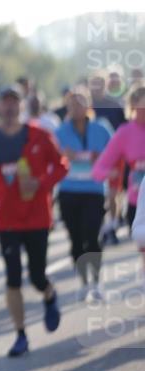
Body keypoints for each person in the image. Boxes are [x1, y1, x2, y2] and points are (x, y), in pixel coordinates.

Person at [0, 86, 70, 358]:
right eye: (5, 103)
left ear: (21, 106)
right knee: (12, 278)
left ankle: (49, 294)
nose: (10, 107)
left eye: (14, 102)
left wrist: (43, 183)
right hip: (7, 220)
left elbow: (62, 165)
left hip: (37, 217)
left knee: (37, 276)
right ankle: (20, 335)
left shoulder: (39, 135)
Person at [54, 86, 113, 302]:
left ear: (88, 105)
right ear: (68, 107)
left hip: (94, 190)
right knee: (76, 240)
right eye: (72, 103)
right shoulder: (60, 132)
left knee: (92, 236)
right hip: (68, 191)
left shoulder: (102, 128)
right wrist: (62, 154)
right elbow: (50, 159)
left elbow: (115, 152)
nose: (76, 107)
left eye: (80, 102)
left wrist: (102, 157)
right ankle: (83, 283)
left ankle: (96, 283)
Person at [92, 84, 145, 243]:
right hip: (138, 204)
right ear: (134, 106)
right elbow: (99, 169)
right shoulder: (125, 132)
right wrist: (109, 173)